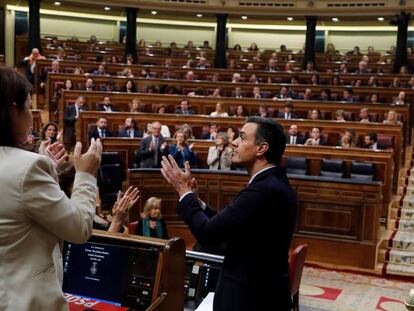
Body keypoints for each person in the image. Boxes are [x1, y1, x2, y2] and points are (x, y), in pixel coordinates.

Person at [160, 116, 297, 310]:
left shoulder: (264, 189)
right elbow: (235, 228)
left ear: (261, 148)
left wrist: (184, 192)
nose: (234, 142)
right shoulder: (272, 183)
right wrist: (197, 202)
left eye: (242, 137)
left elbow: (208, 234)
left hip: (249, 299)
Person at [0, 66, 102, 310]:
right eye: (27, 105)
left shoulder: (29, 167)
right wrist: (86, 175)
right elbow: (78, 228)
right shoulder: (28, 167)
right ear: (14, 110)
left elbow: (17, 208)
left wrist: (48, 171)